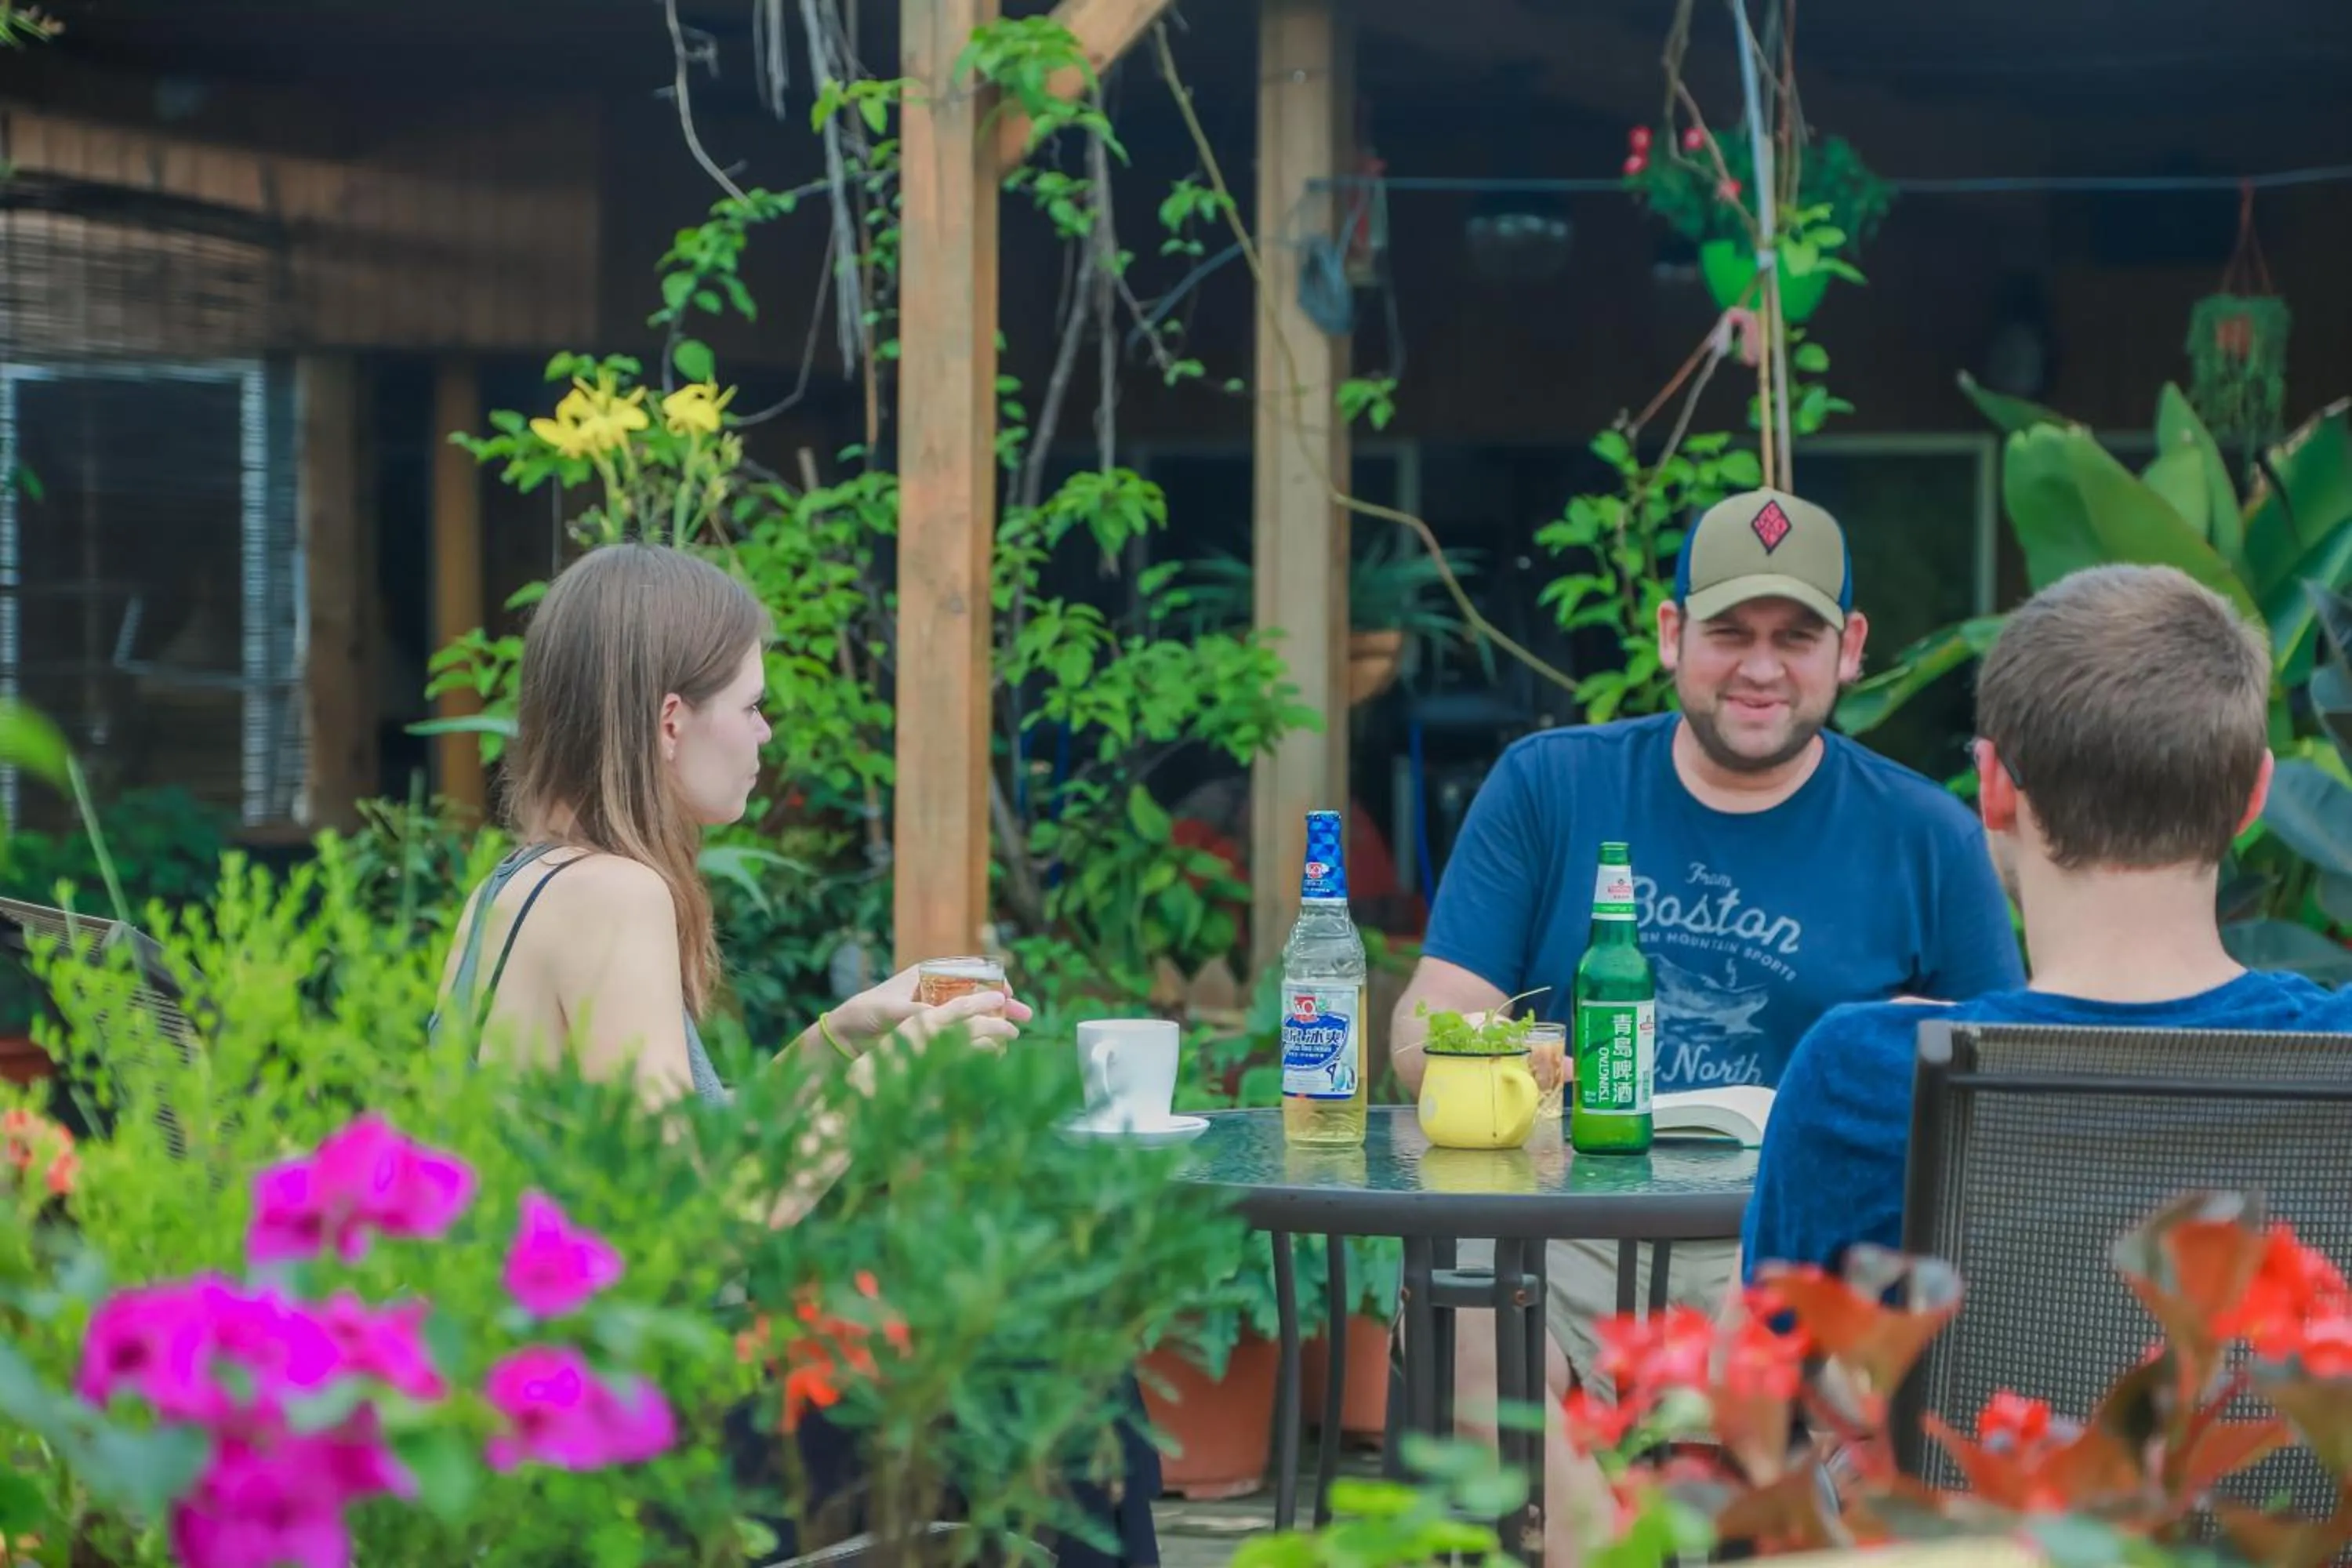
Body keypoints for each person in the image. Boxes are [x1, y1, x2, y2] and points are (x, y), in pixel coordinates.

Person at [433, 540, 1160, 1568]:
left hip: (553, 1400)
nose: (767, 736)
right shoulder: (618, 897)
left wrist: (839, 1035)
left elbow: (677, 1156)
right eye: (753, 705)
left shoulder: (514, 889)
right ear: (671, 721)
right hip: (643, 1439)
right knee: (1063, 1371)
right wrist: (895, 1083)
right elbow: (696, 1230)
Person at [1386, 487, 2025, 1559]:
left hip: (1805, 1244)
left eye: (1796, 636)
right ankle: (1597, 1541)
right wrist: (1515, 1058)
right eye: (1730, 632)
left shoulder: (1928, 836)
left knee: (1871, 1354)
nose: (1762, 667)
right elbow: (1427, 1024)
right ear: (1673, 634)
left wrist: (1914, 1050)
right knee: (1458, 1299)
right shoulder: (1551, 787)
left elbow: (1997, 1091)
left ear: (1850, 648)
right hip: (1566, 1228)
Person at [1742, 561, 2347, 1280]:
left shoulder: (1862, 1074)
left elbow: (1758, 1373)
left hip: (1963, 1402)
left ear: (1994, 788)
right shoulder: (2336, 1045)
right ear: (2254, 799)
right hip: (2255, 1402)